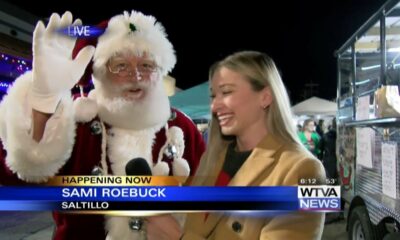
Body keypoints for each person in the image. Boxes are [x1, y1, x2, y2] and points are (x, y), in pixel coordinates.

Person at [0, 10, 205, 240]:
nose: (135, 76)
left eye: (146, 65)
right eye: (121, 65)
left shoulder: (182, 128)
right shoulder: (75, 120)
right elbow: (15, 179)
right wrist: (42, 105)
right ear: (100, 70)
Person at [145, 51, 326, 239]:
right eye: (214, 96)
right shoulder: (213, 158)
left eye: (227, 92)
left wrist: (176, 235)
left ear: (265, 97)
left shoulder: (306, 170)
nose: (214, 106)